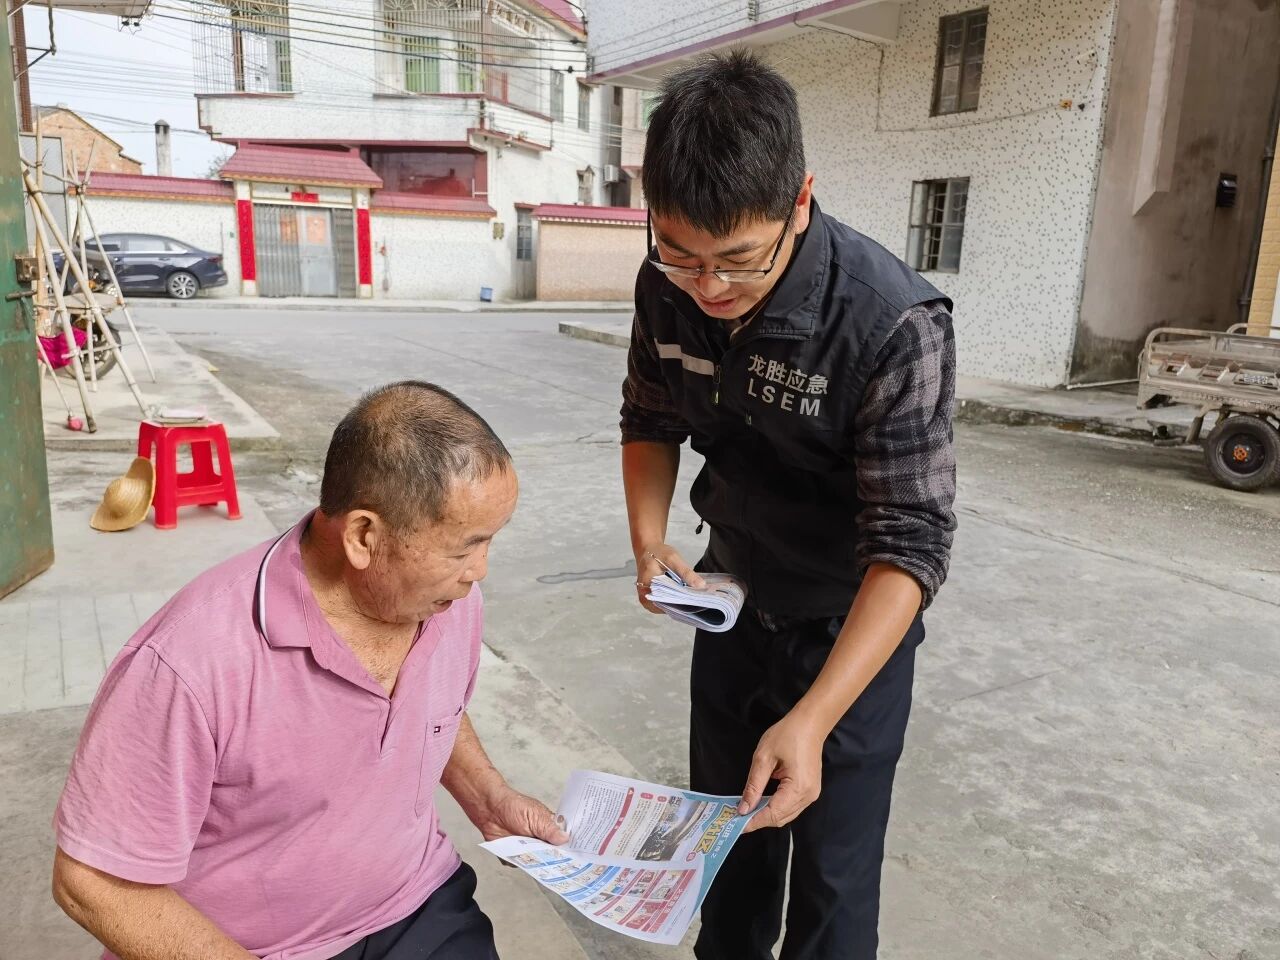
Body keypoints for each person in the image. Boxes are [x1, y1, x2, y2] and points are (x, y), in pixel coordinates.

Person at [620, 50, 957, 960]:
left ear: (800, 200)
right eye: (682, 254)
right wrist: (650, 542)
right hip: (732, 605)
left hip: (851, 626)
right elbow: (649, 418)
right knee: (725, 853)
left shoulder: (891, 323)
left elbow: (911, 545)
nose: (709, 287)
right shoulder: (665, 283)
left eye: (739, 260)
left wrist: (812, 718)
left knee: (832, 890)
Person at [52, 381, 566, 960]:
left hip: (414, 901)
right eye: (464, 548)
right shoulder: (188, 663)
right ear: (364, 536)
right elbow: (91, 883)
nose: (480, 570)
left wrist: (488, 797)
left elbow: (430, 707)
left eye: (490, 542)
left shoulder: (447, 603)